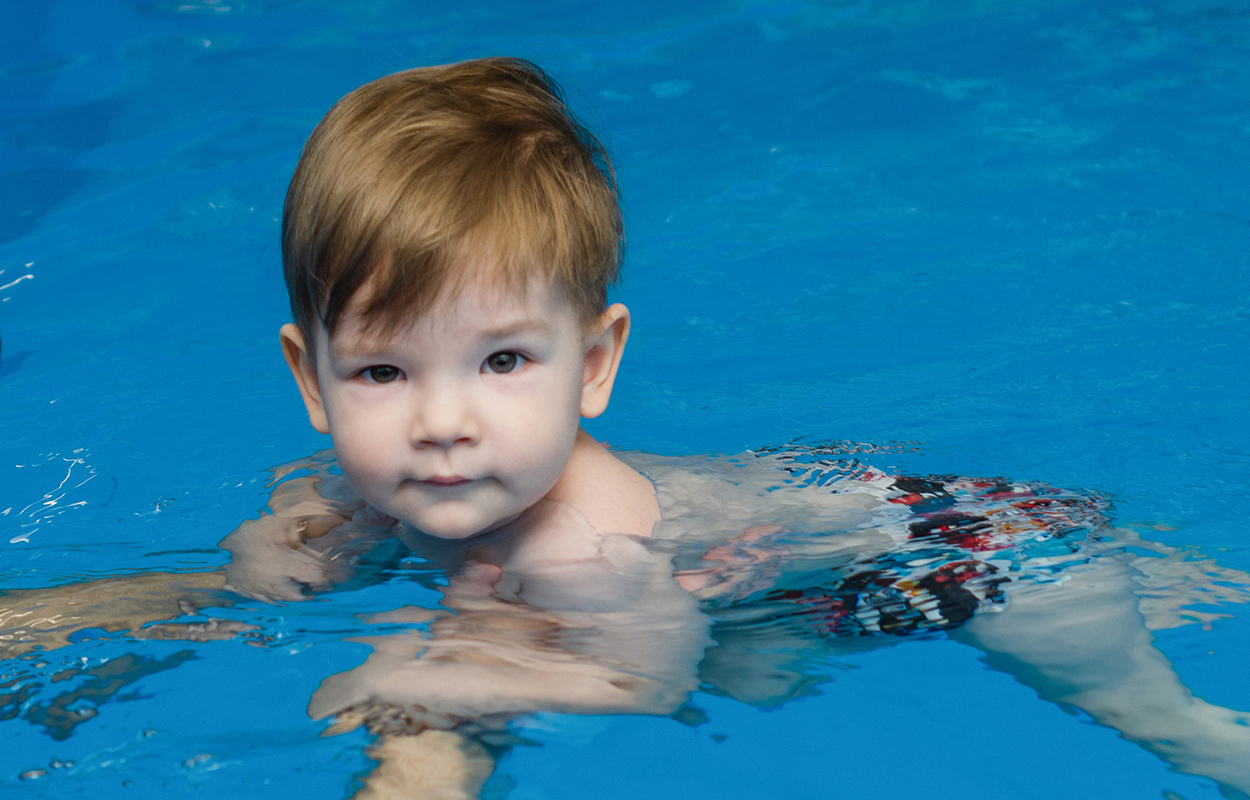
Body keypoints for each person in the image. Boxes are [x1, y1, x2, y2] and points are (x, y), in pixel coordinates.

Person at [4, 57, 1250, 800]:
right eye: (382, 370)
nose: (442, 421)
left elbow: (637, 679)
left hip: (965, 551)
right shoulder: (358, 481)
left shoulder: (582, 537)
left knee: (1158, 724)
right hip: (777, 580)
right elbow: (270, 564)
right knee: (746, 662)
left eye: (503, 360)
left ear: (594, 363)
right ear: (313, 380)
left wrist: (424, 674)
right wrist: (253, 569)